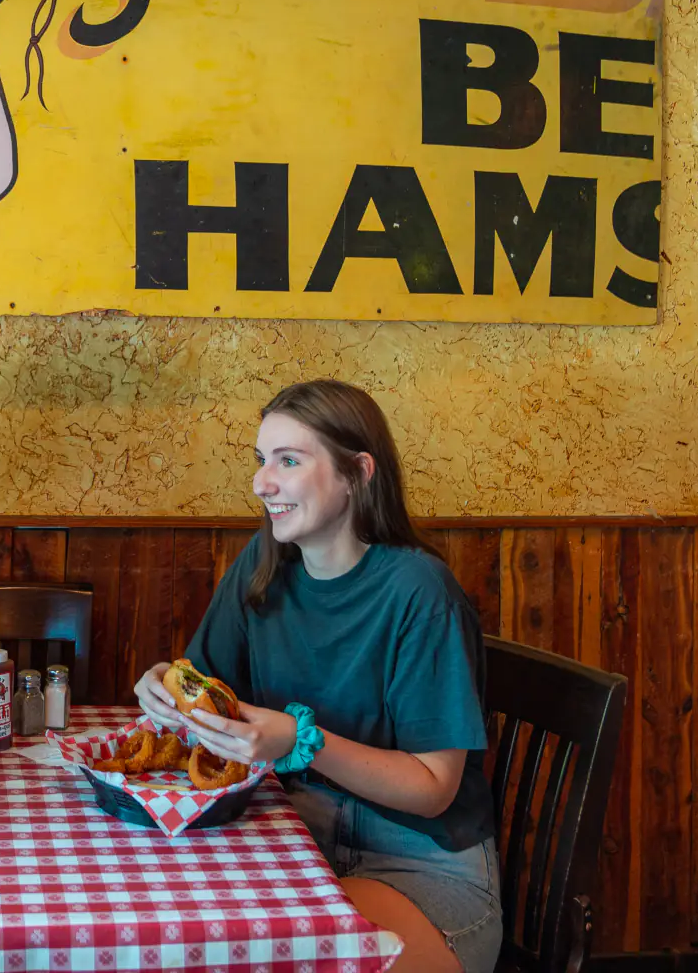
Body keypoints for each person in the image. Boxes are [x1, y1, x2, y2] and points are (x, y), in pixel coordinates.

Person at [136, 380, 500, 973]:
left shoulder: (420, 591)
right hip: (294, 842)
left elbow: (434, 788)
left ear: (358, 473)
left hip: (419, 868)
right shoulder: (262, 568)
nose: (261, 482)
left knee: (266, 953)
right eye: (261, 460)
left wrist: (301, 740)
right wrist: (163, 685)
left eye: (288, 461)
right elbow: (203, 688)